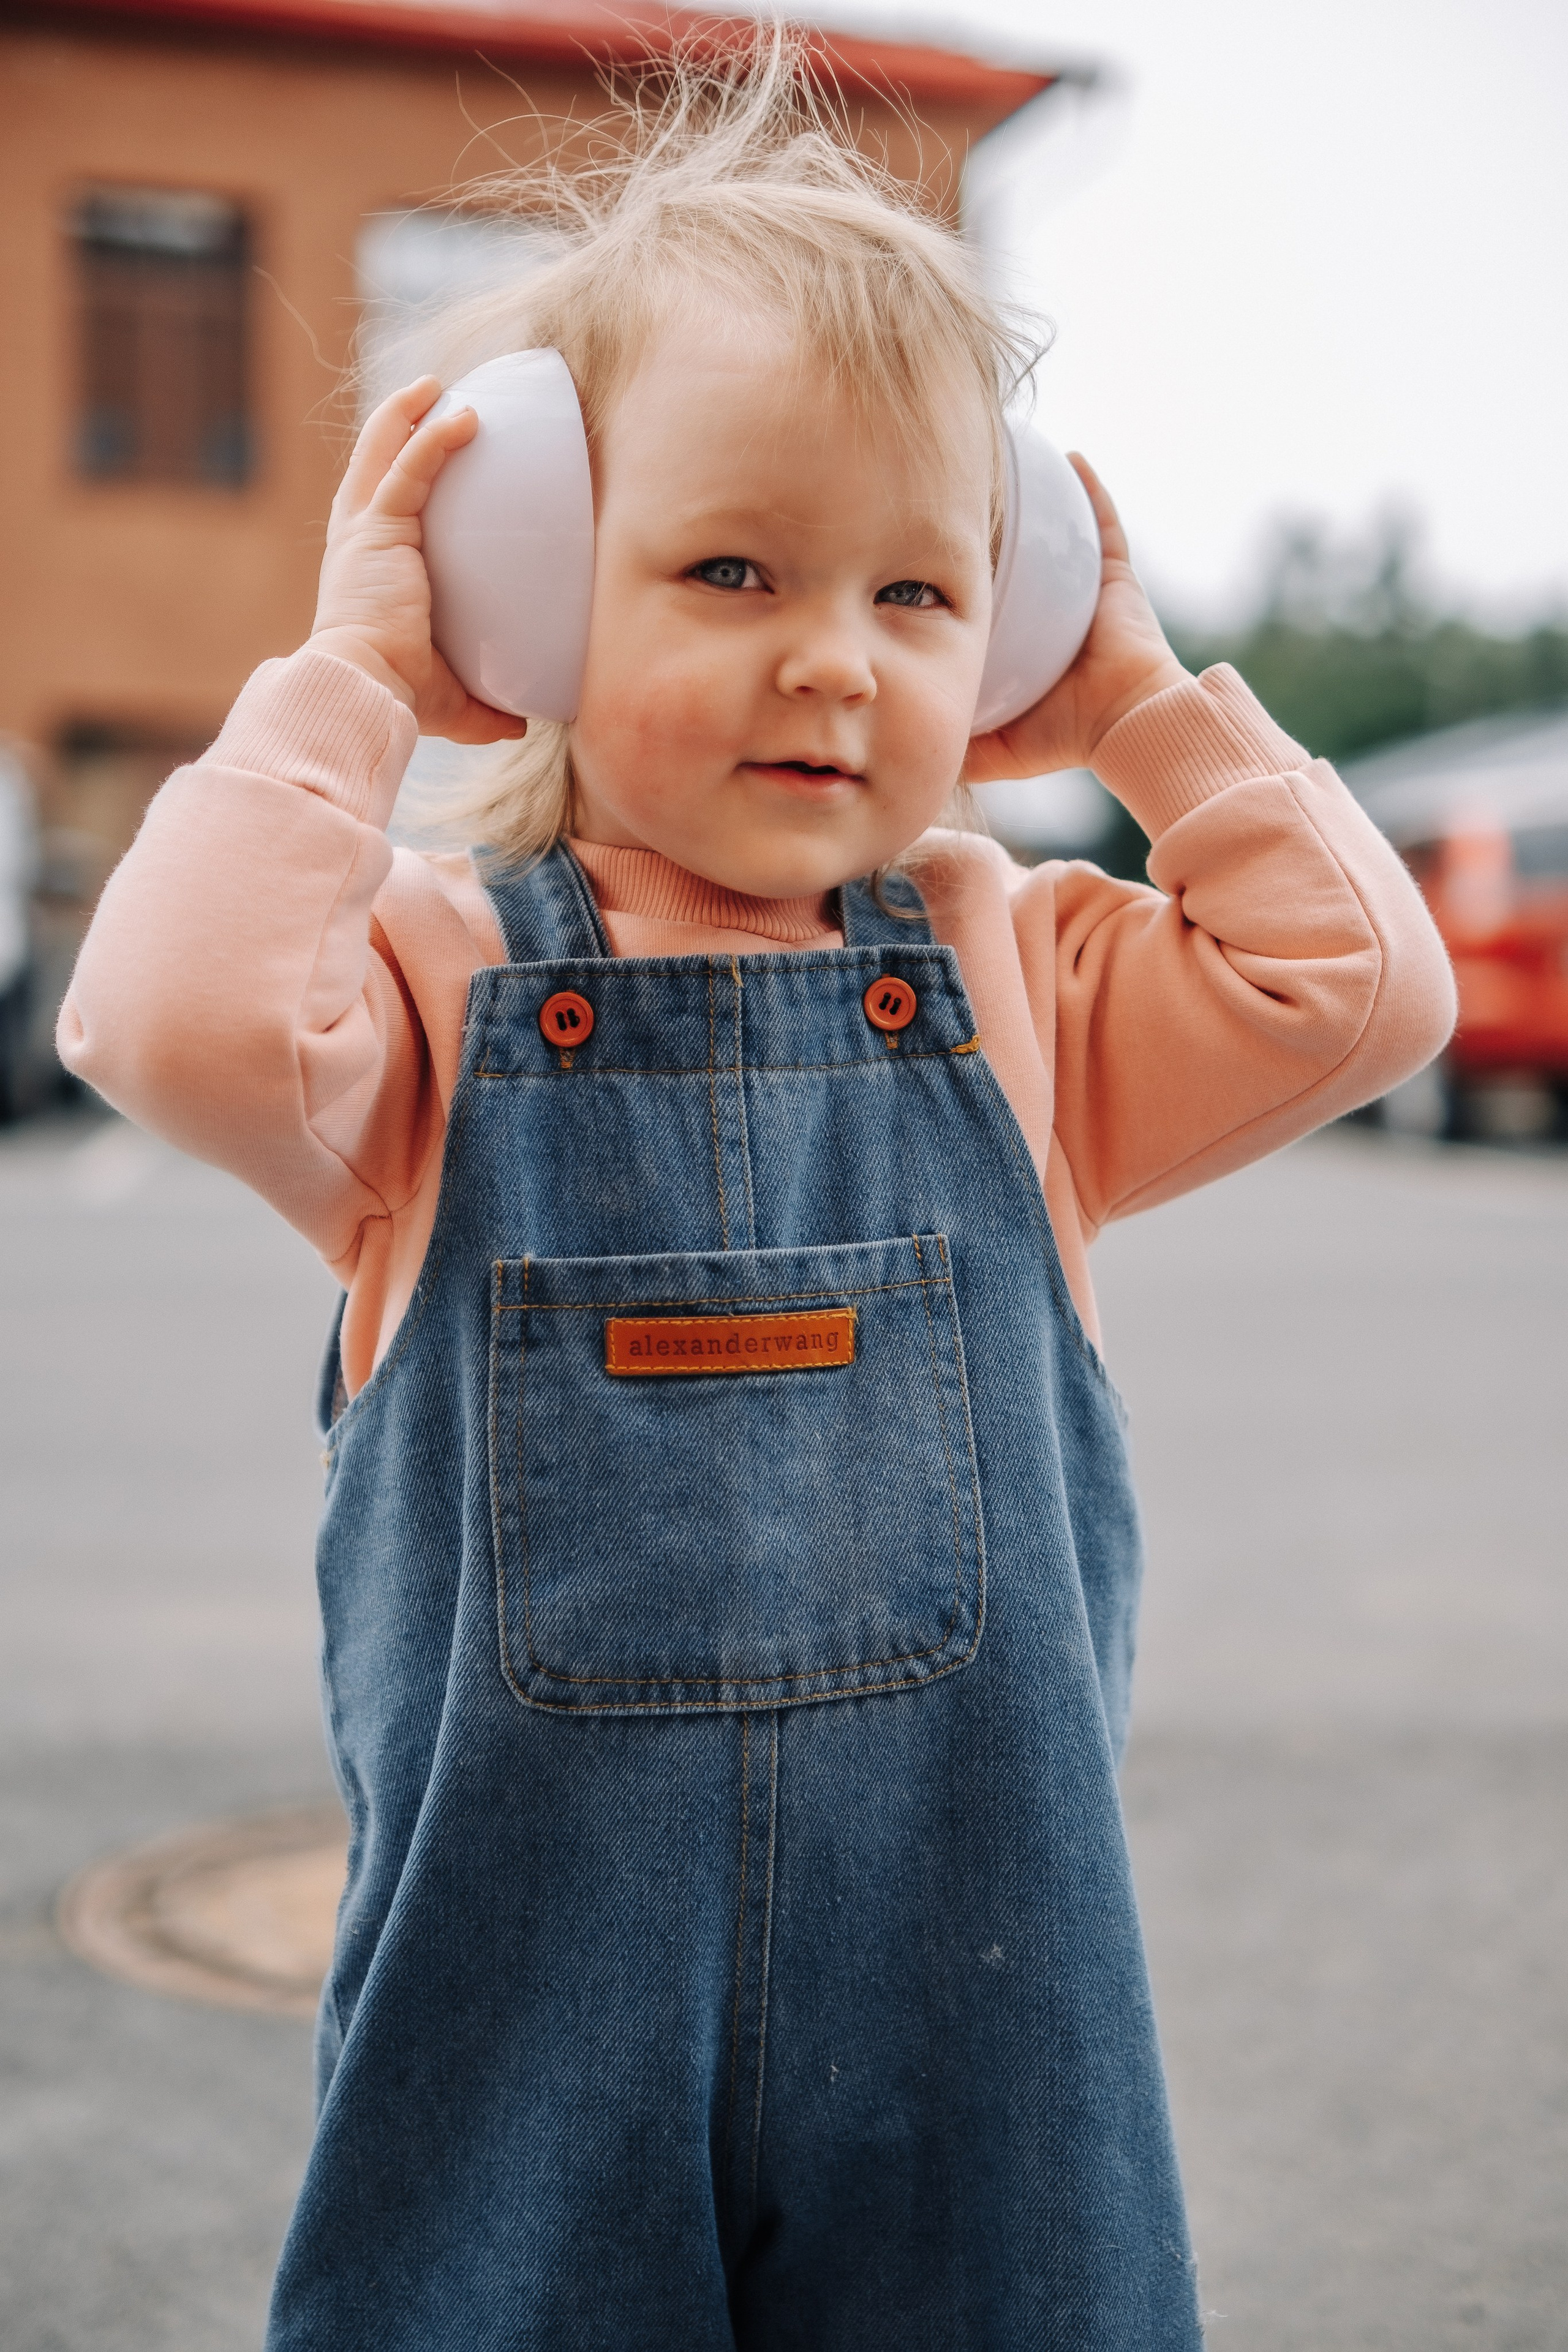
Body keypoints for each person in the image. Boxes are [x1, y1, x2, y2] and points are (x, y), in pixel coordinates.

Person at [58, 45, 1455, 2350]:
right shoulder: (423, 989)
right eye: (731, 568)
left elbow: (1357, 992)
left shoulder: (1026, 982)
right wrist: (357, 683)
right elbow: (168, 1022)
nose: (835, 654)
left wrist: (1139, 708)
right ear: (523, 596)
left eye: (923, 591)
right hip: (524, 2036)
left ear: (1002, 635)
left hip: (979, 2013)